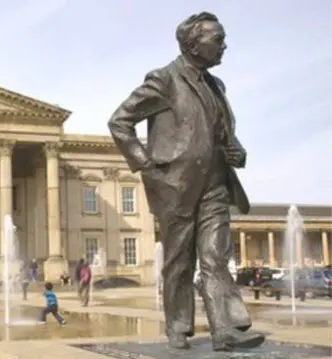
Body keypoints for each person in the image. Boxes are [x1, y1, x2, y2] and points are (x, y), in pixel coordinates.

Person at [107, 12, 264, 351]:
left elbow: (224, 134)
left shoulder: (216, 86)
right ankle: (177, 327)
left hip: (216, 183)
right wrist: (148, 165)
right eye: (218, 39)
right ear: (194, 43)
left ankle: (224, 330)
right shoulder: (164, 79)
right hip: (174, 184)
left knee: (215, 257)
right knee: (179, 261)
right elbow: (120, 121)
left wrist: (237, 152)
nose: (224, 45)